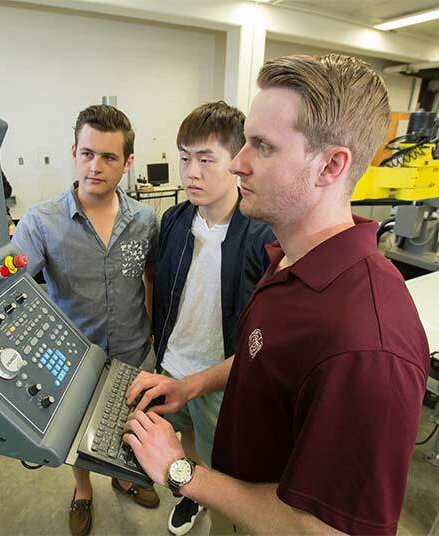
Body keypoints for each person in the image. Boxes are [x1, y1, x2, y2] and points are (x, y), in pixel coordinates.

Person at [123, 54, 430, 535]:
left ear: (331, 165)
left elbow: (330, 530)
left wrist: (182, 473)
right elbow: (261, 359)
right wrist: (191, 386)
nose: (238, 163)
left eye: (262, 146)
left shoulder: (367, 346)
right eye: (246, 141)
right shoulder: (288, 261)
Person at [12, 104, 160, 536]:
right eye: (87, 153)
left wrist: (152, 328)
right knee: (76, 432)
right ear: (73, 152)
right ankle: (82, 489)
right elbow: (13, 287)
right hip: (74, 355)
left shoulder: (145, 220)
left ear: (127, 162)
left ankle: (123, 476)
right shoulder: (41, 222)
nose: (95, 166)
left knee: (129, 421)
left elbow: (151, 275)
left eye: (109, 157)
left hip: (133, 348)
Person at [150, 101, 274, 535]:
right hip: (173, 366)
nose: (192, 173)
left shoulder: (260, 236)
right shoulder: (174, 219)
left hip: (221, 379)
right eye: (184, 158)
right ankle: (190, 494)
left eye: (206, 160)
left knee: (224, 467)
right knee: (185, 442)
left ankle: (217, 510)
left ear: (236, 162)